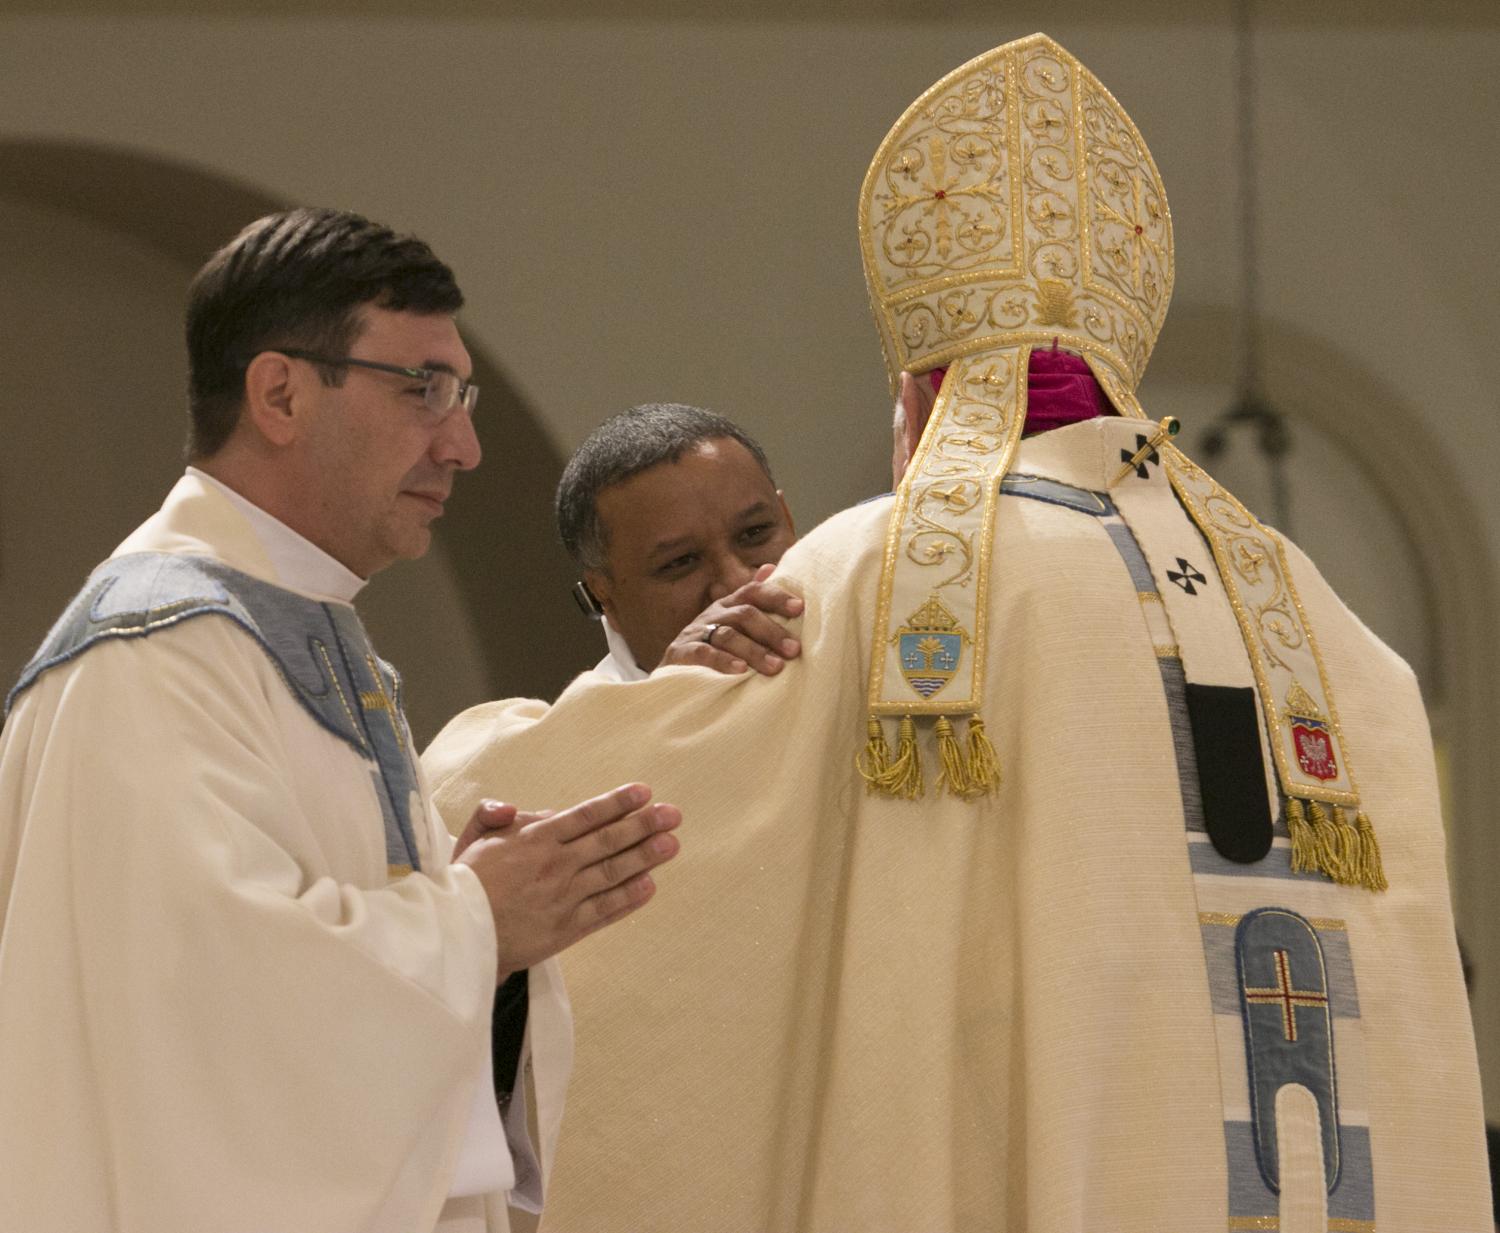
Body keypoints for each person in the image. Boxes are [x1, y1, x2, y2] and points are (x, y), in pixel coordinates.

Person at [423, 34, 1489, 1232]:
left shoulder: (892, 576)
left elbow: (563, 808)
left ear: (930, 399)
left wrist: (471, 758)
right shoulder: (1324, 624)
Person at [0, 207, 681, 1233]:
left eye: (463, 395)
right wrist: (474, 920)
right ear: (280, 393)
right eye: (425, 391)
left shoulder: (296, 633)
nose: (465, 444)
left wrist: (477, 927)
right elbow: (203, 1027)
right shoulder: (157, 653)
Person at [557, 402, 801, 681]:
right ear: (604, 595)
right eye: (681, 561)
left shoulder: (860, 637)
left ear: (788, 519)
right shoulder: (593, 724)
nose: (740, 582)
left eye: (754, 532)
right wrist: (669, 707)